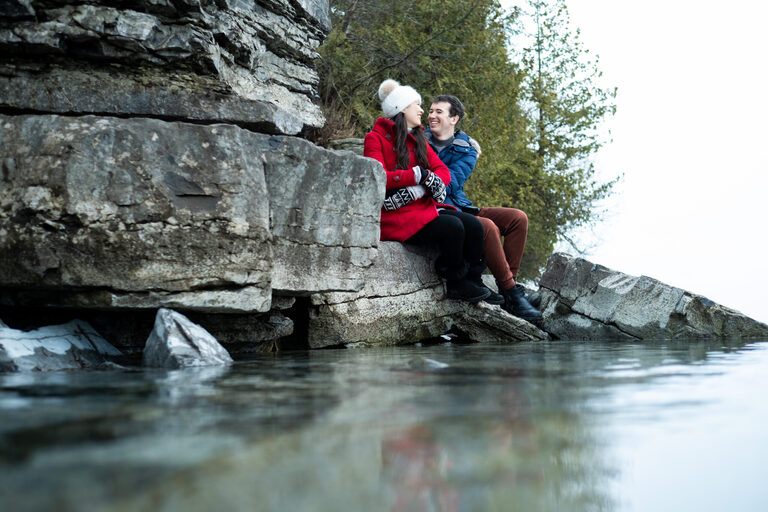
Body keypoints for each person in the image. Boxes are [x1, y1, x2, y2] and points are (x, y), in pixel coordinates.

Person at [363, 79, 490, 303]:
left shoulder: (418, 138)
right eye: (416, 105)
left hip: (420, 207)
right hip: (395, 216)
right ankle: (455, 282)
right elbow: (378, 177)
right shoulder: (375, 139)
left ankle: (474, 279)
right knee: (453, 227)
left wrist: (421, 188)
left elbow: (442, 171)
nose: (422, 110)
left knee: (474, 226)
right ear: (401, 109)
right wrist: (417, 176)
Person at [425, 94, 542, 322]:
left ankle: (511, 286)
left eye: (439, 112)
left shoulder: (466, 149)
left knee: (518, 218)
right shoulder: (418, 141)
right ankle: (512, 295)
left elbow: (451, 182)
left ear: (454, 118)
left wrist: (430, 175)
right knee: (488, 226)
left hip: (459, 205)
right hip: (437, 208)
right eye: (430, 111)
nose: (431, 115)